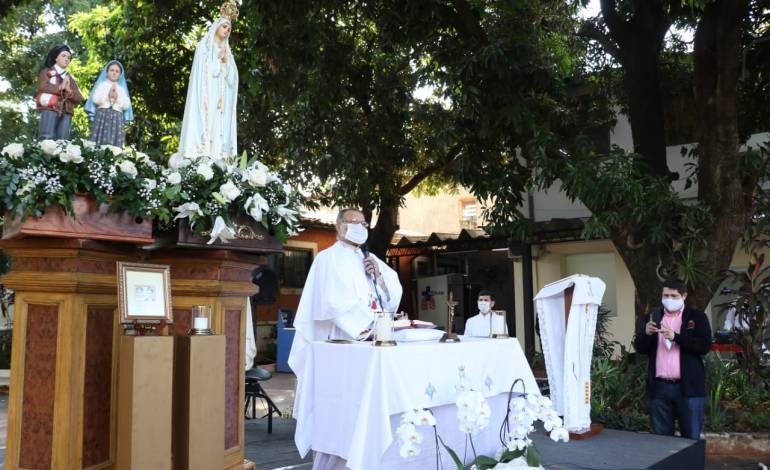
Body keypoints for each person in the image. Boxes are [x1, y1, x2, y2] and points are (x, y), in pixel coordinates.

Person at [288, 208, 403, 463]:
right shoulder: (327, 259)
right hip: (341, 339)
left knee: (366, 402)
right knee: (342, 404)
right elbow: (331, 303)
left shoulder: (370, 257)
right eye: (353, 222)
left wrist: (379, 276)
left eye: (363, 223)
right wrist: (362, 328)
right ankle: (339, 458)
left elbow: (389, 297)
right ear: (339, 227)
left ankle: (367, 453)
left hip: (371, 339)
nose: (360, 227)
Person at [634, 279, 712, 440]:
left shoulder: (696, 317)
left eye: (674, 296)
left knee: (690, 439)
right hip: (660, 387)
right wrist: (646, 334)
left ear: (684, 296)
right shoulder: (653, 316)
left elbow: (704, 346)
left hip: (688, 388)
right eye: (666, 295)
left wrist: (676, 337)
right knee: (661, 440)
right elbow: (640, 348)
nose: (669, 299)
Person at [177, 1, 239, 163]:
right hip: (207, 96)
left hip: (221, 100)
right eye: (224, 27)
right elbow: (207, 72)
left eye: (229, 29)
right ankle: (202, 153)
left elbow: (232, 79)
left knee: (218, 125)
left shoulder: (228, 53)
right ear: (217, 27)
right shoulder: (204, 48)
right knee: (207, 123)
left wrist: (225, 61)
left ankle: (218, 155)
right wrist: (219, 61)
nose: (227, 31)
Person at [36, 44, 84, 140]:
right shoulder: (47, 72)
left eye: (69, 57)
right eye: (63, 56)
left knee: (63, 140)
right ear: (56, 58)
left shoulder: (69, 77)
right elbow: (43, 86)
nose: (66, 59)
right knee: (46, 136)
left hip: (66, 110)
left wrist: (69, 91)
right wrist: (60, 87)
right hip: (51, 107)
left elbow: (79, 97)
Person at [84, 60, 133, 147]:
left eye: (117, 71)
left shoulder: (121, 89)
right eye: (112, 70)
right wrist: (108, 96)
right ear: (107, 72)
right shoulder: (102, 85)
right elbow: (95, 99)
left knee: (115, 141)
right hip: (102, 115)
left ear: (120, 74)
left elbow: (126, 105)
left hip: (117, 117)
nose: (114, 73)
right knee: (99, 139)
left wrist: (116, 98)